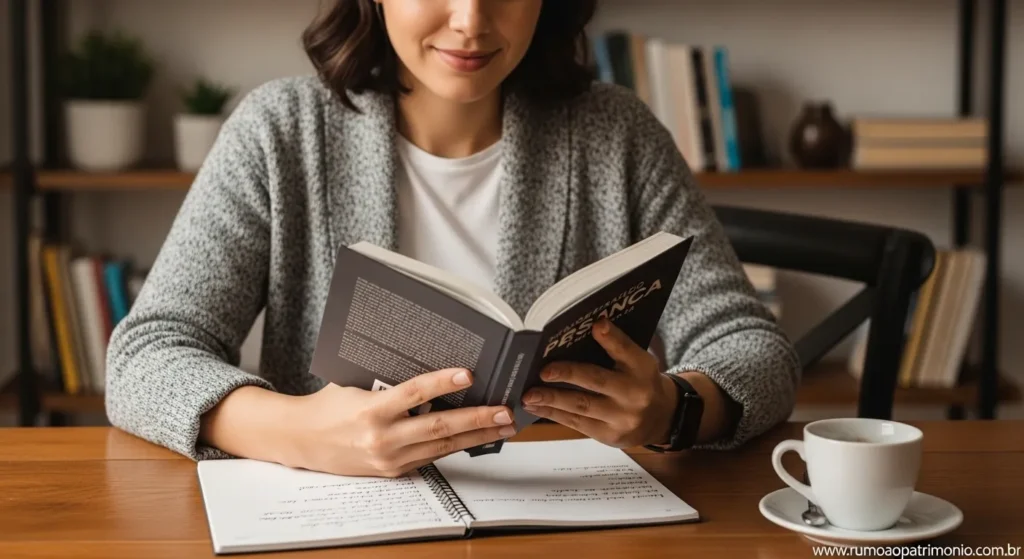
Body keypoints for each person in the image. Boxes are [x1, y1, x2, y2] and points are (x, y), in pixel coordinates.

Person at [105, 0, 800, 478]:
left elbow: (753, 348)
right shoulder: (281, 133)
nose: (470, 21)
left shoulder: (615, 136)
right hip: (341, 528)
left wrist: (674, 410)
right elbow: (145, 355)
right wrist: (300, 431)